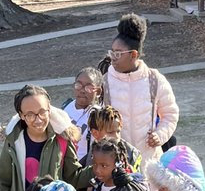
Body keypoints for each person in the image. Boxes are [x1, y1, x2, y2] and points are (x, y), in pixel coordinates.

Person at [102, 13, 179, 167]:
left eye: (118, 53)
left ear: (134, 55)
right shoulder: (105, 82)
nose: (113, 58)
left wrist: (159, 135)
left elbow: (170, 114)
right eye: (112, 52)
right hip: (117, 162)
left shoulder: (154, 80)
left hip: (149, 161)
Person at [62, 66, 104, 158]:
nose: (82, 90)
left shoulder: (100, 115)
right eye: (78, 85)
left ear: (98, 92)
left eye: (89, 87)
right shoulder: (66, 108)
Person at [85, 104, 143, 171]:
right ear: (95, 133)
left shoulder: (132, 154)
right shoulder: (90, 156)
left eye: (118, 131)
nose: (116, 137)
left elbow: (138, 179)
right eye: (110, 133)